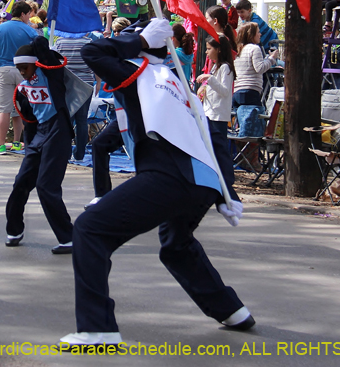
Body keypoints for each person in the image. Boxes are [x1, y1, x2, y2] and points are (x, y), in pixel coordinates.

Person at [60, 19, 253, 348]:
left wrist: (135, 43)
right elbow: (205, 135)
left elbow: (93, 52)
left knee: (90, 229)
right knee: (176, 245)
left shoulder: (137, 71)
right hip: (201, 180)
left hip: (169, 175)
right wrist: (224, 190)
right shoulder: (176, 82)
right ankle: (232, 310)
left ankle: (97, 329)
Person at [5, 36, 75, 254]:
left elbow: (42, 45)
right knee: (20, 183)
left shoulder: (51, 74)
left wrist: (36, 46)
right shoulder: (24, 87)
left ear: (36, 63)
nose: (22, 72)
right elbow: (30, 119)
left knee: (46, 186)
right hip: (39, 135)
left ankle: (69, 238)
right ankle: (14, 230)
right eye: (18, 68)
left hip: (59, 131)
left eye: (24, 67)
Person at [0, 1, 39, 155]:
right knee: (23, 109)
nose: (29, 17)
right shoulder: (31, 32)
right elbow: (37, 53)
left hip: (4, 69)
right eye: (28, 14)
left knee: (4, 109)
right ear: (23, 14)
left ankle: (1, 144)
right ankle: (18, 142)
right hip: (25, 71)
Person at [195, 36, 236, 166]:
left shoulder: (225, 68)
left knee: (219, 149)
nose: (206, 52)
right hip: (209, 112)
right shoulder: (215, 67)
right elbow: (213, 87)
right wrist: (204, 89)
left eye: (209, 49)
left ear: (218, 49)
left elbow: (224, 90)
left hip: (218, 115)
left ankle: (223, 173)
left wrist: (210, 79)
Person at [54, 34, 95, 161]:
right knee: (82, 121)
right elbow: (94, 62)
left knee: (67, 120)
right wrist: (97, 82)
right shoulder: (89, 42)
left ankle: (64, 152)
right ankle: (80, 154)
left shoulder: (60, 42)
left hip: (67, 84)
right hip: (86, 83)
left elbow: (55, 61)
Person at [232, 22, 278, 110]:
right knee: (253, 121)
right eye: (258, 32)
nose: (260, 34)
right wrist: (271, 59)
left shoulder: (239, 50)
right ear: (251, 34)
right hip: (250, 91)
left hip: (237, 91)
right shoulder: (255, 48)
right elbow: (259, 68)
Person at [172, 23, 195, 89]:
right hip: (187, 85)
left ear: (173, 38)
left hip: (178, 86)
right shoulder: (188, 52)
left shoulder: (175, 54)